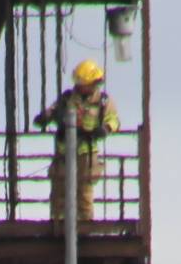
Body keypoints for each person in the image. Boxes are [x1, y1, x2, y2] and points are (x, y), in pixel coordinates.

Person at [34, 59, 118, 228]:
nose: (80, 86)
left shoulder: (102, 101)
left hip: (86, 153)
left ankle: (85, 227)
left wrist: (105, 129)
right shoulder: (66, 99)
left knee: (84, 192)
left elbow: (113, 120)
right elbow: (50, 112)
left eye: (84, 83)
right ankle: (58, 225)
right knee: (59, 189)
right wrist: (44, 118)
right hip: (64, 152)